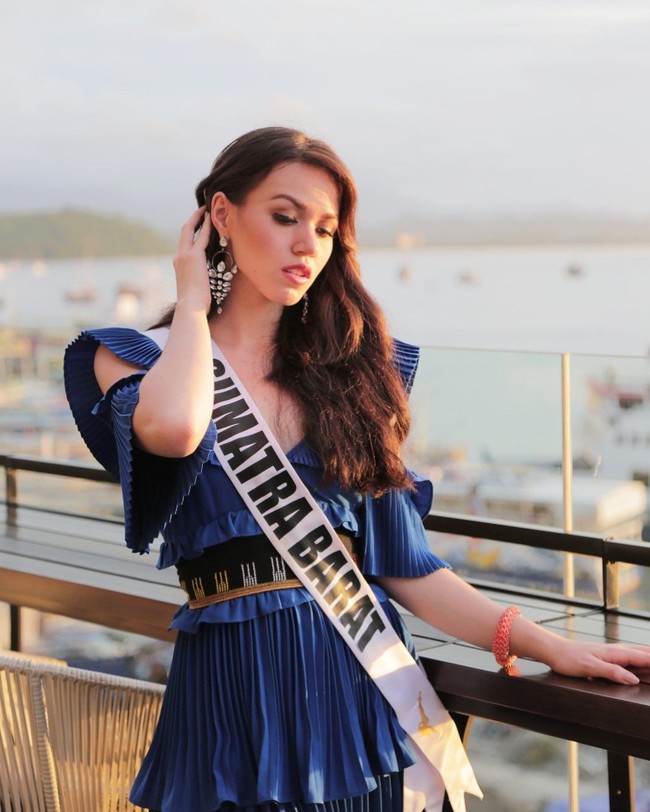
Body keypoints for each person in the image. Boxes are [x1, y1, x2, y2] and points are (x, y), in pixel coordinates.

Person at [64, 126, 650, 812]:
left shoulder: (353, 377)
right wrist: (193, 301)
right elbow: (175, 429)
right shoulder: (134, 354)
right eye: (284, 217)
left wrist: (548, 645)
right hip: (231, 699)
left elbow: (407, 566)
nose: (306, 245)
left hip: (357, 695)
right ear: (220, 215)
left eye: (324, 229)